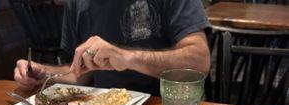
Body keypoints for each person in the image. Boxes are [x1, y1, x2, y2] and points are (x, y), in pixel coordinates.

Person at [14, 0, 211, 95]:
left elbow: (199, 61)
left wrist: (128, 58)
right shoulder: (77, 4)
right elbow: (80, 74)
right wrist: (44, 75)